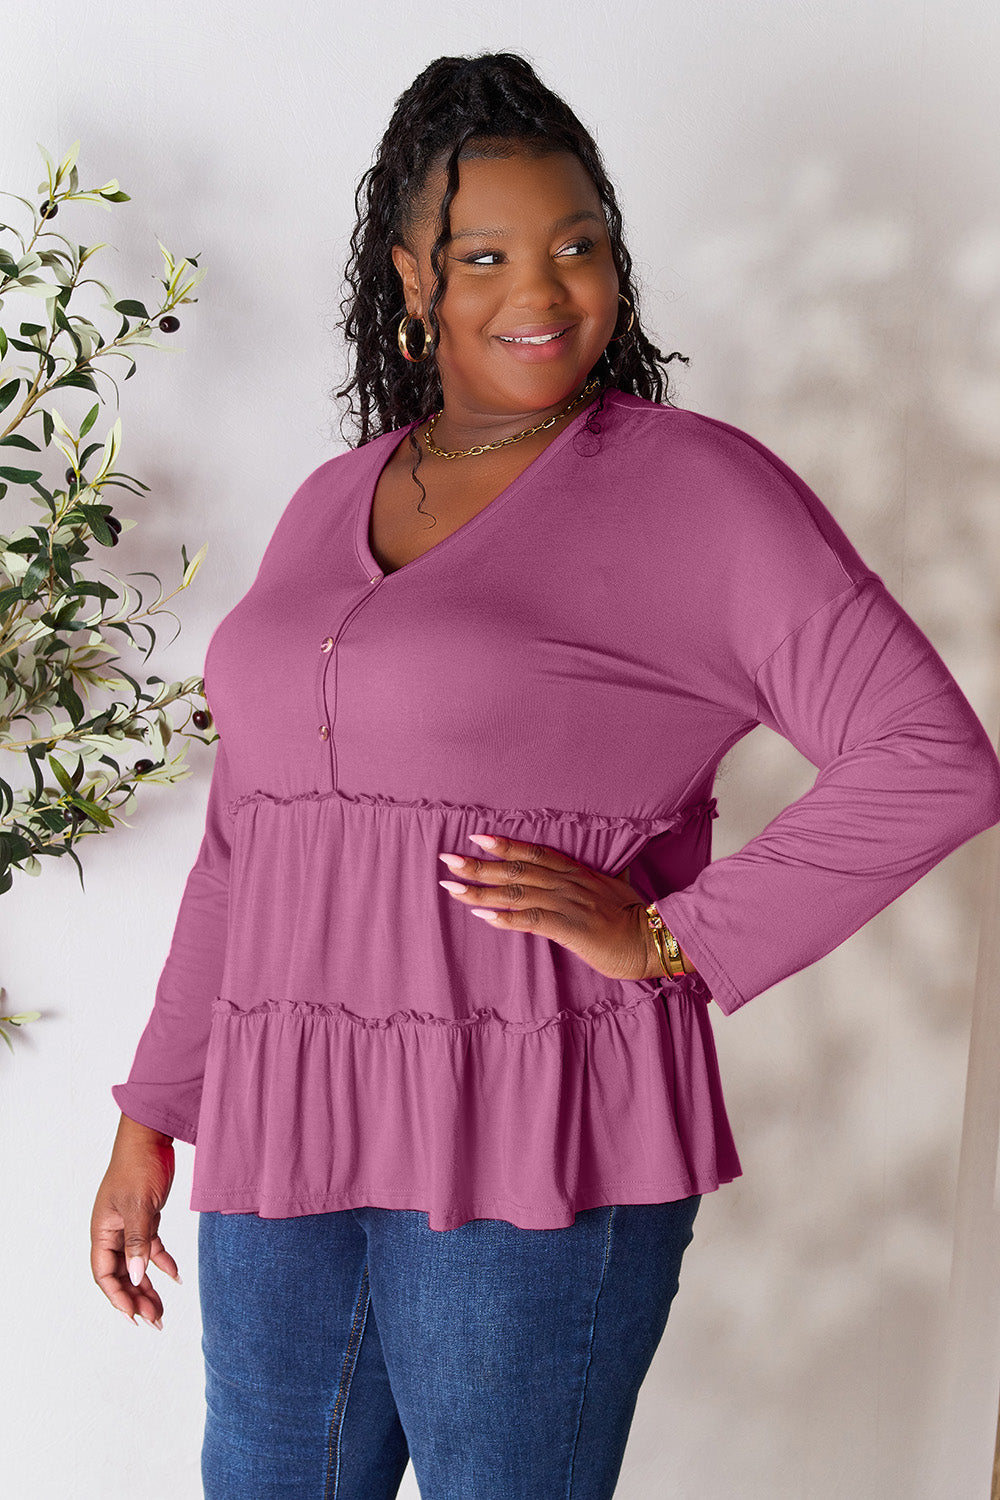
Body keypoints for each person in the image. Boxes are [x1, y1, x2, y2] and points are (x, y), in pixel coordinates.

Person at [90, 50, 1000, 1500]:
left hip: (535, 1120)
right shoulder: (338, 494)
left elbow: (934, 761)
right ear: (410, 276)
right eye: (487, 254)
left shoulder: (699, 490)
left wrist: (666, 935)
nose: (546, 288)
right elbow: (248, 844)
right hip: (287, 1113)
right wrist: (155, 1115)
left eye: (581, 244)